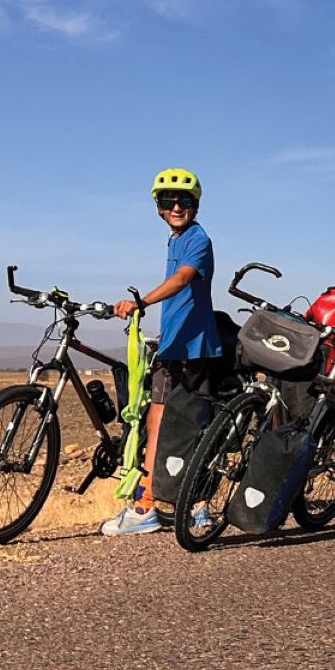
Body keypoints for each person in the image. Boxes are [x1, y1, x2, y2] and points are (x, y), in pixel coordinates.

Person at [102, 168, 220, 536]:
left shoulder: (197, 239)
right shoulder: (177, 238)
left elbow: (183, 279)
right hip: (178, 346)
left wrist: (141, 302)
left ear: (195, 204)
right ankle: (198, 505)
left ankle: (145, 507)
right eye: (168, 200)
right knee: (187, 427)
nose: (176, 206)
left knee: (162, 426)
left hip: (192, 350)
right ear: (158, 206)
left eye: (183, 200)